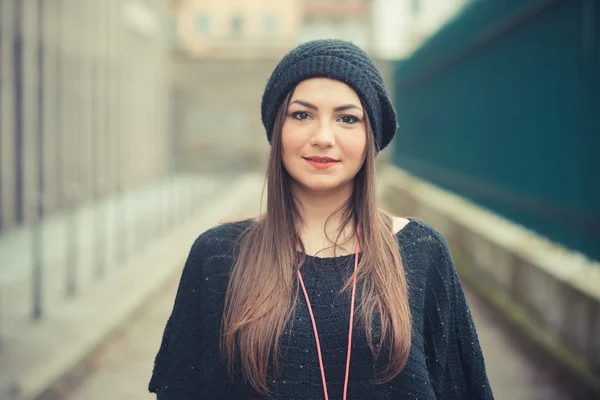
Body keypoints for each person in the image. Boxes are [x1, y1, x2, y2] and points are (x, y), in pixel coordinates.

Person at [148, 39, 493, 400]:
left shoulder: (422, 252)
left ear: (369, 137)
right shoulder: (218, 256)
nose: (323, 137)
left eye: (347, 119)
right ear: (277, 129)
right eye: (302, 115)